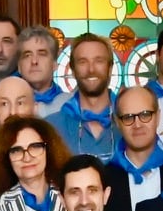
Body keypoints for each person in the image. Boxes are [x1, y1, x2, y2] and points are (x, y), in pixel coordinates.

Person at [105, 86, 163, 211]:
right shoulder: (104, 178)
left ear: (158, 117)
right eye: (128, 117)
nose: (137, 124)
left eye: (145, 114)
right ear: (117, 122)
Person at [50, 33, 118, 161]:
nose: (91, 69)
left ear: (110, 68)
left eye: (99, 61)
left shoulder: (130, 120)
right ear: (72, 69)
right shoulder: (52, 127)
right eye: (83, 62)